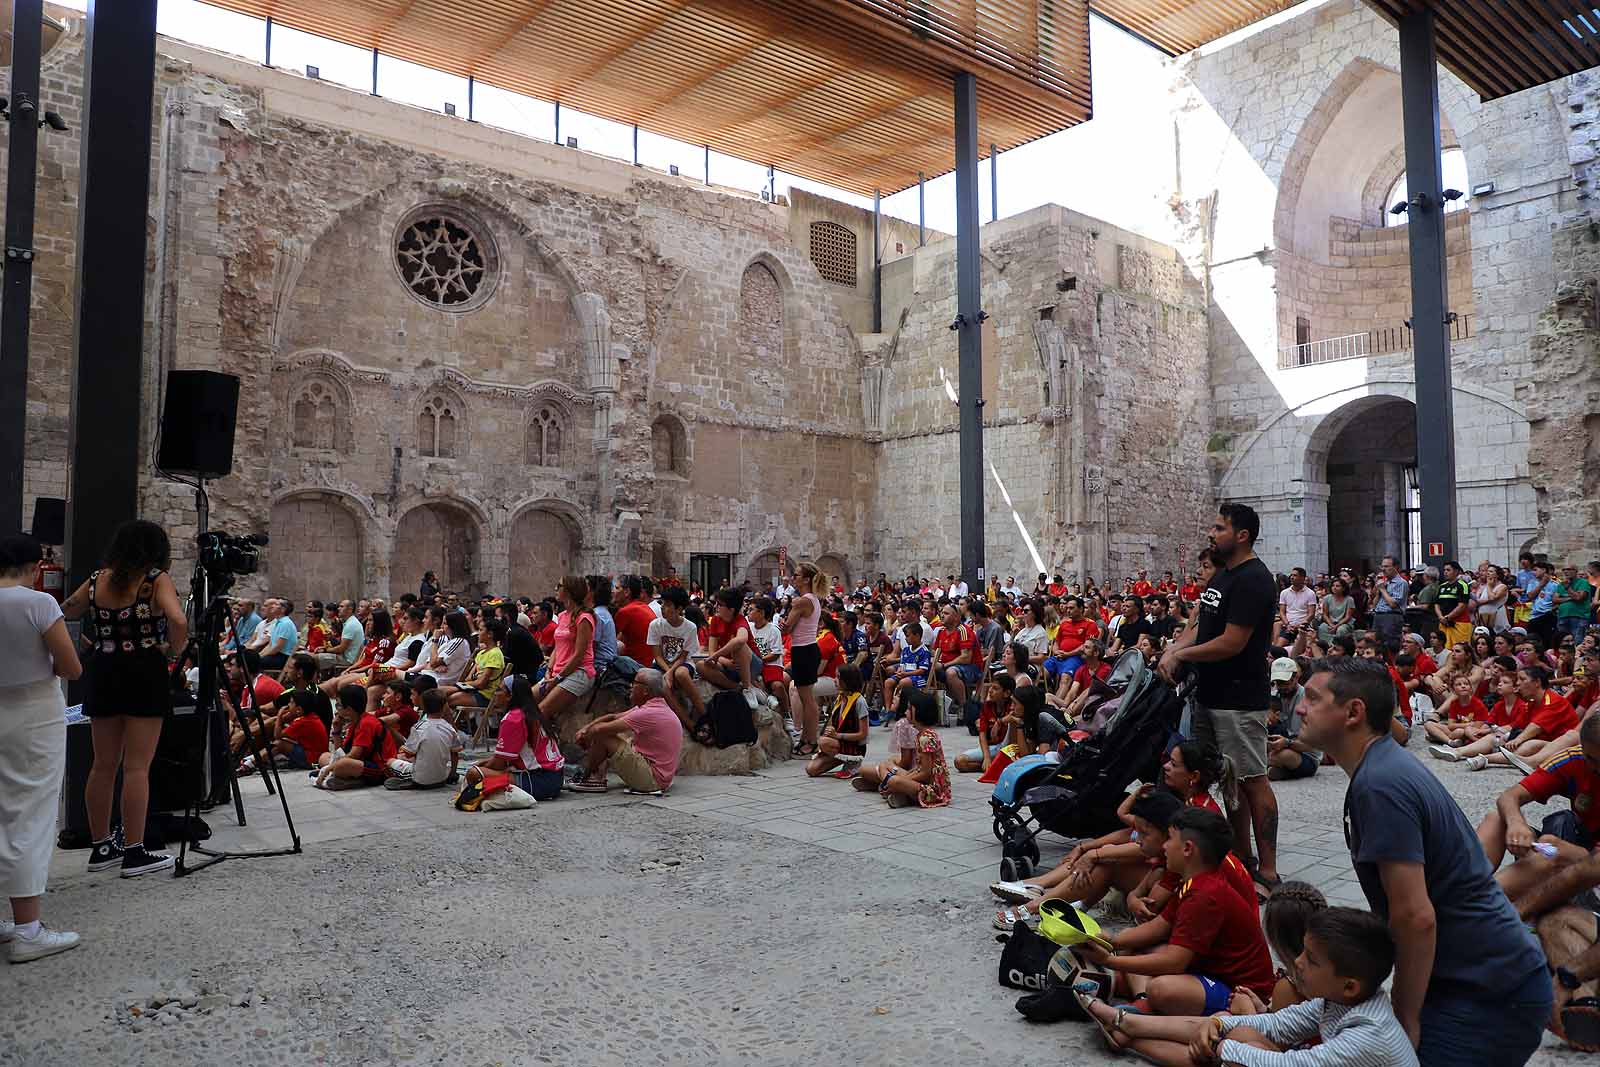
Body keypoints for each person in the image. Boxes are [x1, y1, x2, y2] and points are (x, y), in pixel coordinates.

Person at [1295, 655, 1550, 1064]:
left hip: (1488, 992)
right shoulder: (1380, 769)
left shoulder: (1379, 785)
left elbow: (1416, 916)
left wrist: (1404, 1015)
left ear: (1353, 712)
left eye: (1311, 698)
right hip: (1480, 979)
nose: (1300, 707)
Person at [1159, 503, 1281, 892]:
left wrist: (1182, 655)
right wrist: (1172, 649)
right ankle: (1241, 855)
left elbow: (1231, 642)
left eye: (1218, 527)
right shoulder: (1223, 575)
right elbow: (1202, 625)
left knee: (1252, 780)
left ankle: (1270, 871)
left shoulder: (1253, 579)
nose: (1211, 533)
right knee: (1227, 781)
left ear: (1241, 535)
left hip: (1240, 699)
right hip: (1209, 696)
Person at [60, 520, 188, 878]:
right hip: (144, 673)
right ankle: (134, 851)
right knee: (136, 766)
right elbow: (177, 620)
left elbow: (65, 611)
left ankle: (101, 847)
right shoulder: (154, 579)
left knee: (103, 764)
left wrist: (87, 646)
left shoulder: (98, 578)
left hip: (103, 671)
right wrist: (171, 651)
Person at [1076, 808, 1274, 1016]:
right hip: (1210, 971)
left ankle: (1144, 1006)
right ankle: (1143, 1002)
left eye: (1169, 839)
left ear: (1188, 849)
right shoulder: (1193, 881)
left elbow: (1174, 962)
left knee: (1162, 989)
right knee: (1132, 947)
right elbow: (1159, 925)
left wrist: (1108, 960)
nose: (1164, 846)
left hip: (1242, 991)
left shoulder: (1205, 895)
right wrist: (1111, 941)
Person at [1181, 909, 1418, 1067]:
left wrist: (1219, 1045)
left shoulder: (1368, 1035)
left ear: (1349, 986)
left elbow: (1293, 1065)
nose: (1297, 961)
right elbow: (1278, 1025)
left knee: (1241, 1052)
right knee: (1240, 1036)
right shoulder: (1338, 1000)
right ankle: (1141, 1030)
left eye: (1311, 960)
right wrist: (1217, 1024)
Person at [0, 534, 83, 961]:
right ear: (34, 566)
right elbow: (70, 665)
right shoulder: (38, 603)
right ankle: (28, 927)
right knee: (31, 811)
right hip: (34, 711)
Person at [569, 668, 683, 795]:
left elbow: (599, 730)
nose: (631, 686)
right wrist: (586, 729)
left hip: (653, 780)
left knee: (603, 736)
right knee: (613, 734)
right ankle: (597, 776)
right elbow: (613, 717)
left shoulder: (648, 713)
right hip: (660, 777)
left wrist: (585, 736)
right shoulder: (653, 707)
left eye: (635, 683)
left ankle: (587, 777)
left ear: (645, 690)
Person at [852, 689, 950, 808]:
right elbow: (919, 768)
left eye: (909, 709)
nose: (905, 711)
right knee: (885, 766)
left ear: (919, 712)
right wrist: (906, 777)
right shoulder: (922, 734)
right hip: (921, 782)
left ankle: (888, 787)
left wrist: (901, 779)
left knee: (894, 781)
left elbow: (926, 773)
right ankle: (896, 792)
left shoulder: (926, 738)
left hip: (932, 789)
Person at [779, 561, 828, 757]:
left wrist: (784, 623)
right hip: (807, 649)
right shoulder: (813, 599)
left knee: (807, 699)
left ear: (806, 579)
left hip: (804, 650)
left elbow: (788, 627)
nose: (794, 578)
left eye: (797, 575)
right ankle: (807, 739)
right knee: (806, 698)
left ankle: (810, 741)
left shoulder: (802, 601)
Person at [807, 664, 868, 779]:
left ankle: (853, 763)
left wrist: (837, 735)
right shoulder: (839, 698)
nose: (834, 680)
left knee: (823, 742)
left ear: (847, 680)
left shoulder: (859, 701)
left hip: (854, 746)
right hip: (839, 743)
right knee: (811, 770)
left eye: (838, 677)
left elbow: (863, 734)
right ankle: (844, 760)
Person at [1266, 657, 1320, 781]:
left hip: (1305, 754)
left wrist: (1287, 743)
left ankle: (1276, 769)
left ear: (1296, 677)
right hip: (1277, 747)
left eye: (1286, 682)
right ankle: (1279, 771)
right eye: (1279, 683)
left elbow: (1312, 746)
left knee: (1281, 756)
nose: (1282, 687)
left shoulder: (1308, 698)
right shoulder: (1272, 697)